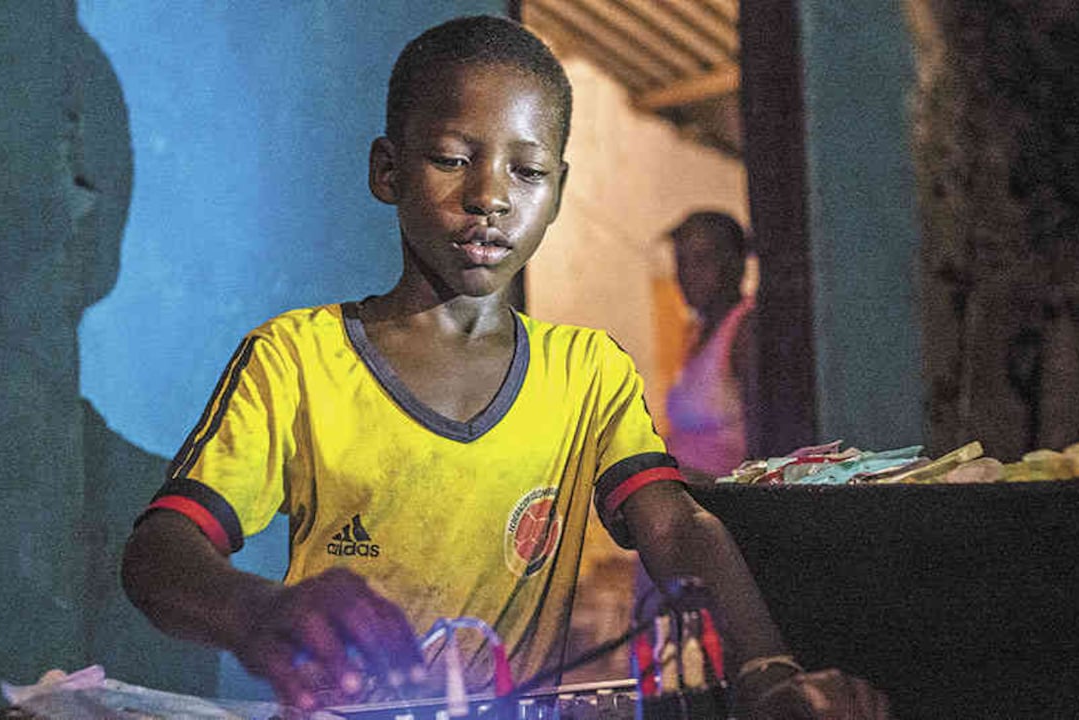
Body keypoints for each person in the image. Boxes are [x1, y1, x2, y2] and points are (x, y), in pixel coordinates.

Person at [121, 15, 892, 719]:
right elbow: (160, 553)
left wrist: (768, 674)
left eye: (527, 173)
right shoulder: (295, 361)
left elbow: (678, 525)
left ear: (558, 195)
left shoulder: (586, 374)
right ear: (387, 172)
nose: (489, 196)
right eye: (453, 159)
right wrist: (255, 612)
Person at [664, 212, 757, 479]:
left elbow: (764, 447)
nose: (687, 274)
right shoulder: (699, 333)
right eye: (681, 263)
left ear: (736, 264)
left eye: (702, 261)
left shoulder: (746, 331)